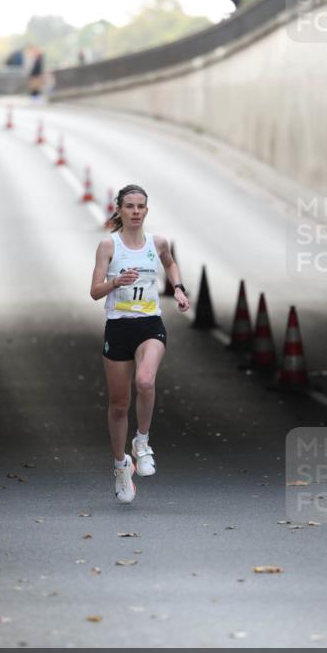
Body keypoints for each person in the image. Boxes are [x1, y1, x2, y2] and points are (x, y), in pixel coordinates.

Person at [90, 185, 190, 503]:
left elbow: (170, 263)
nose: (135, 212)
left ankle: (142, 442)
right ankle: (121, 465)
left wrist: (178, 288)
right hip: (119, 327)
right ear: (119, 210)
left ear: (147, 210)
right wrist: (115, 282)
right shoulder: (109, 245)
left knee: (145, 381)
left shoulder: (157, 242)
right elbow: (94, 291)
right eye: (130, 206)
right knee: (119, 404)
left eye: (140, 206)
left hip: (150, 325)